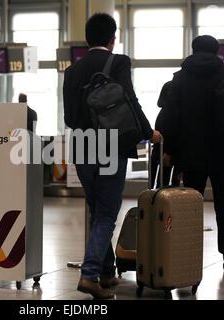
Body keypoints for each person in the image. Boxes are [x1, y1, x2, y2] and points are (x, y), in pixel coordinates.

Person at [63, 13, 162, 299]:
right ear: (112, 38)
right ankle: (90, 274)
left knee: (98, 211)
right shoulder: (118, 62)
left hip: (81, 144)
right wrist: (147, 131)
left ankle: (106, 273)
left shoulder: (72, 71)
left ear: (87, 38)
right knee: (107, 212)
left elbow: (70, 117)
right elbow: (129, 100)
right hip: (110, 144)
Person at [162, 35, 224, 269]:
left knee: (190, 205)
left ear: (193, 50)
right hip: (223, 150)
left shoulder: (180, 78)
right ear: (217, 51)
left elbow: (171, 118)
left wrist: (170, 151)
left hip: (191, 153)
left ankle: (186, 256)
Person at [150, 81, 180, 188]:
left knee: (160, 184)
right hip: (166, 153)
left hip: (160, 152)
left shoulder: (163, 111)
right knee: (165, 185)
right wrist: (169, 152)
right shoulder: (170, 112)